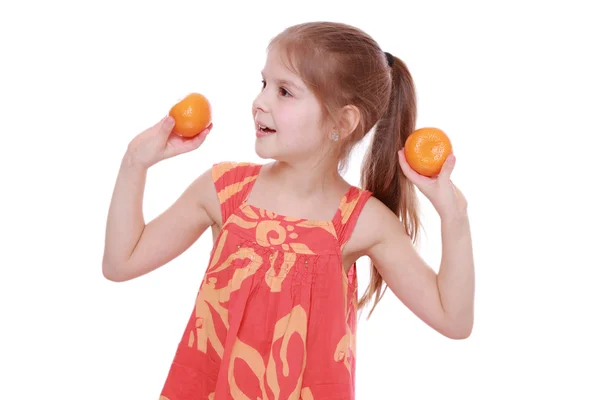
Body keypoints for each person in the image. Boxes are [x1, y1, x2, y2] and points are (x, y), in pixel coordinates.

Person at [102, 21, 474, 400]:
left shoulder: (362, 222)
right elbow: (121, 262)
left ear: (342, 122)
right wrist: (135, 162)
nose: (260, 102)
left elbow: (454, 319)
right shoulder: (224, 191)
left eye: (284, 91)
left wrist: (454, 217)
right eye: (263, 84)